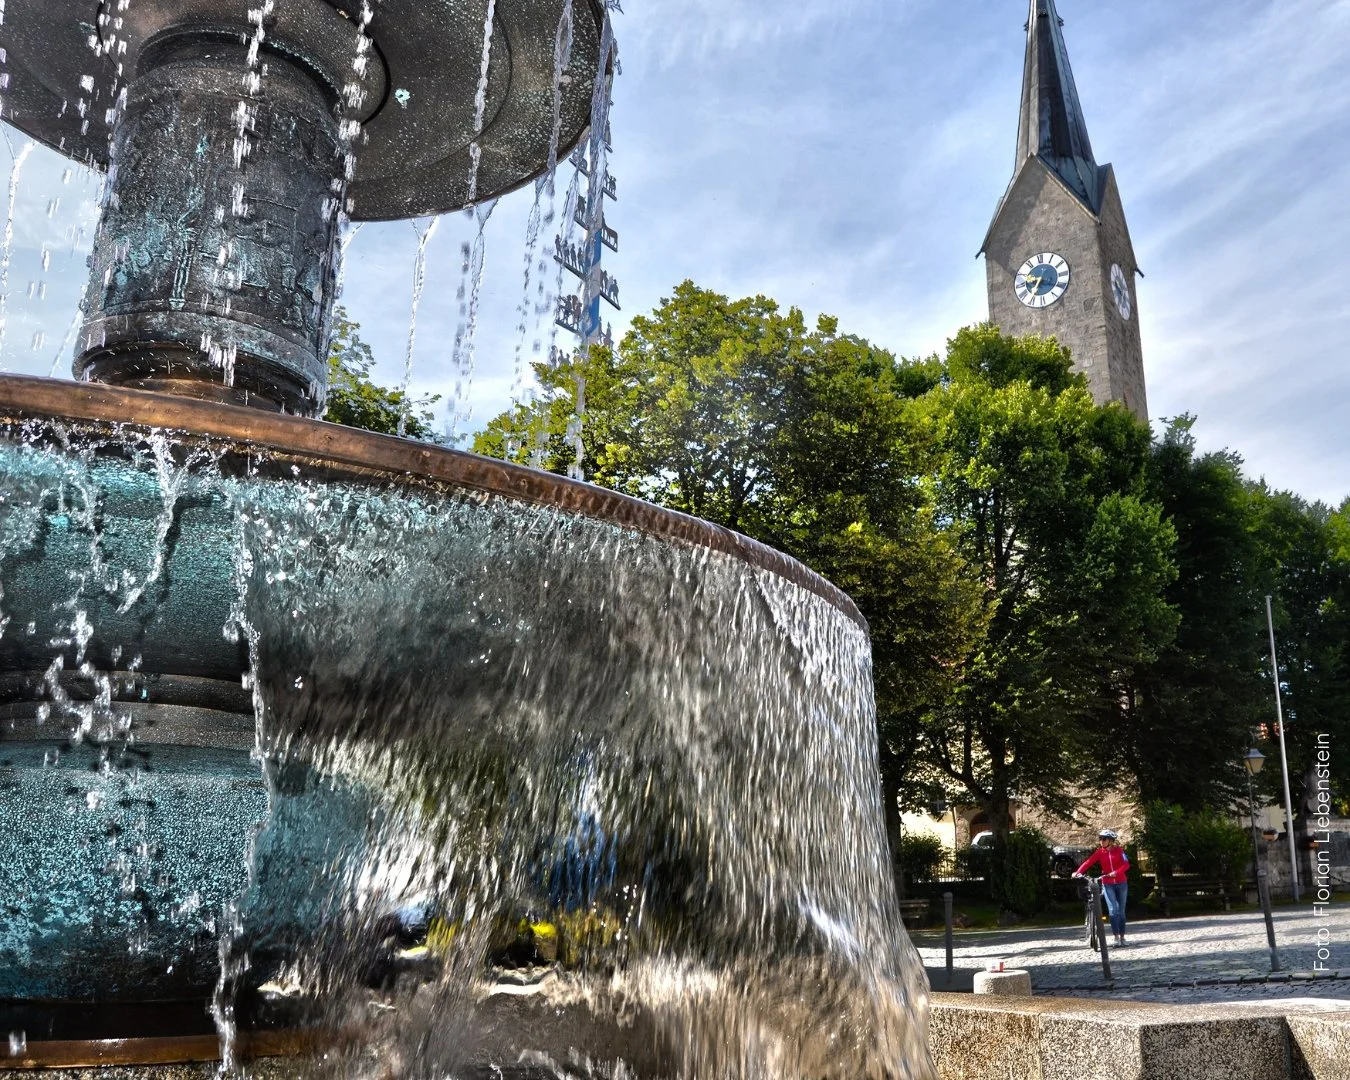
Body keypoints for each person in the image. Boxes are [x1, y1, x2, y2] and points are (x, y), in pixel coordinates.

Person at [1073, 830, 1130, 947]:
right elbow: (1088, 863)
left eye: (1104, 839)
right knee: (1113, 911)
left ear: (1111, 841)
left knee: (1121, 912)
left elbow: (1126, 864)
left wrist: (1116, 872)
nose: (1101, 841)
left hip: (1121, 883)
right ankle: (1116, 937)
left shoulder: (1119, 851)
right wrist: (1077, 872)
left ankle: (1123, 936)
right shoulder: (1100, 853)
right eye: (1100, 839)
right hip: (1108, 883)